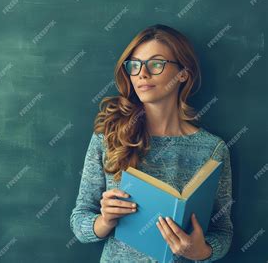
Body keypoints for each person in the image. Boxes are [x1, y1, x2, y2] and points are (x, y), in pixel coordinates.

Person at [70, 24, 233, 262]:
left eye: (156, 64)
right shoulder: (108, 137)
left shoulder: (213, 149)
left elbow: (223, 231)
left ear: (183, 73)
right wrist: (104, 221)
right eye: (134, 65)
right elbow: (80, 219)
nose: (141, 74)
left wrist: (203, 251)